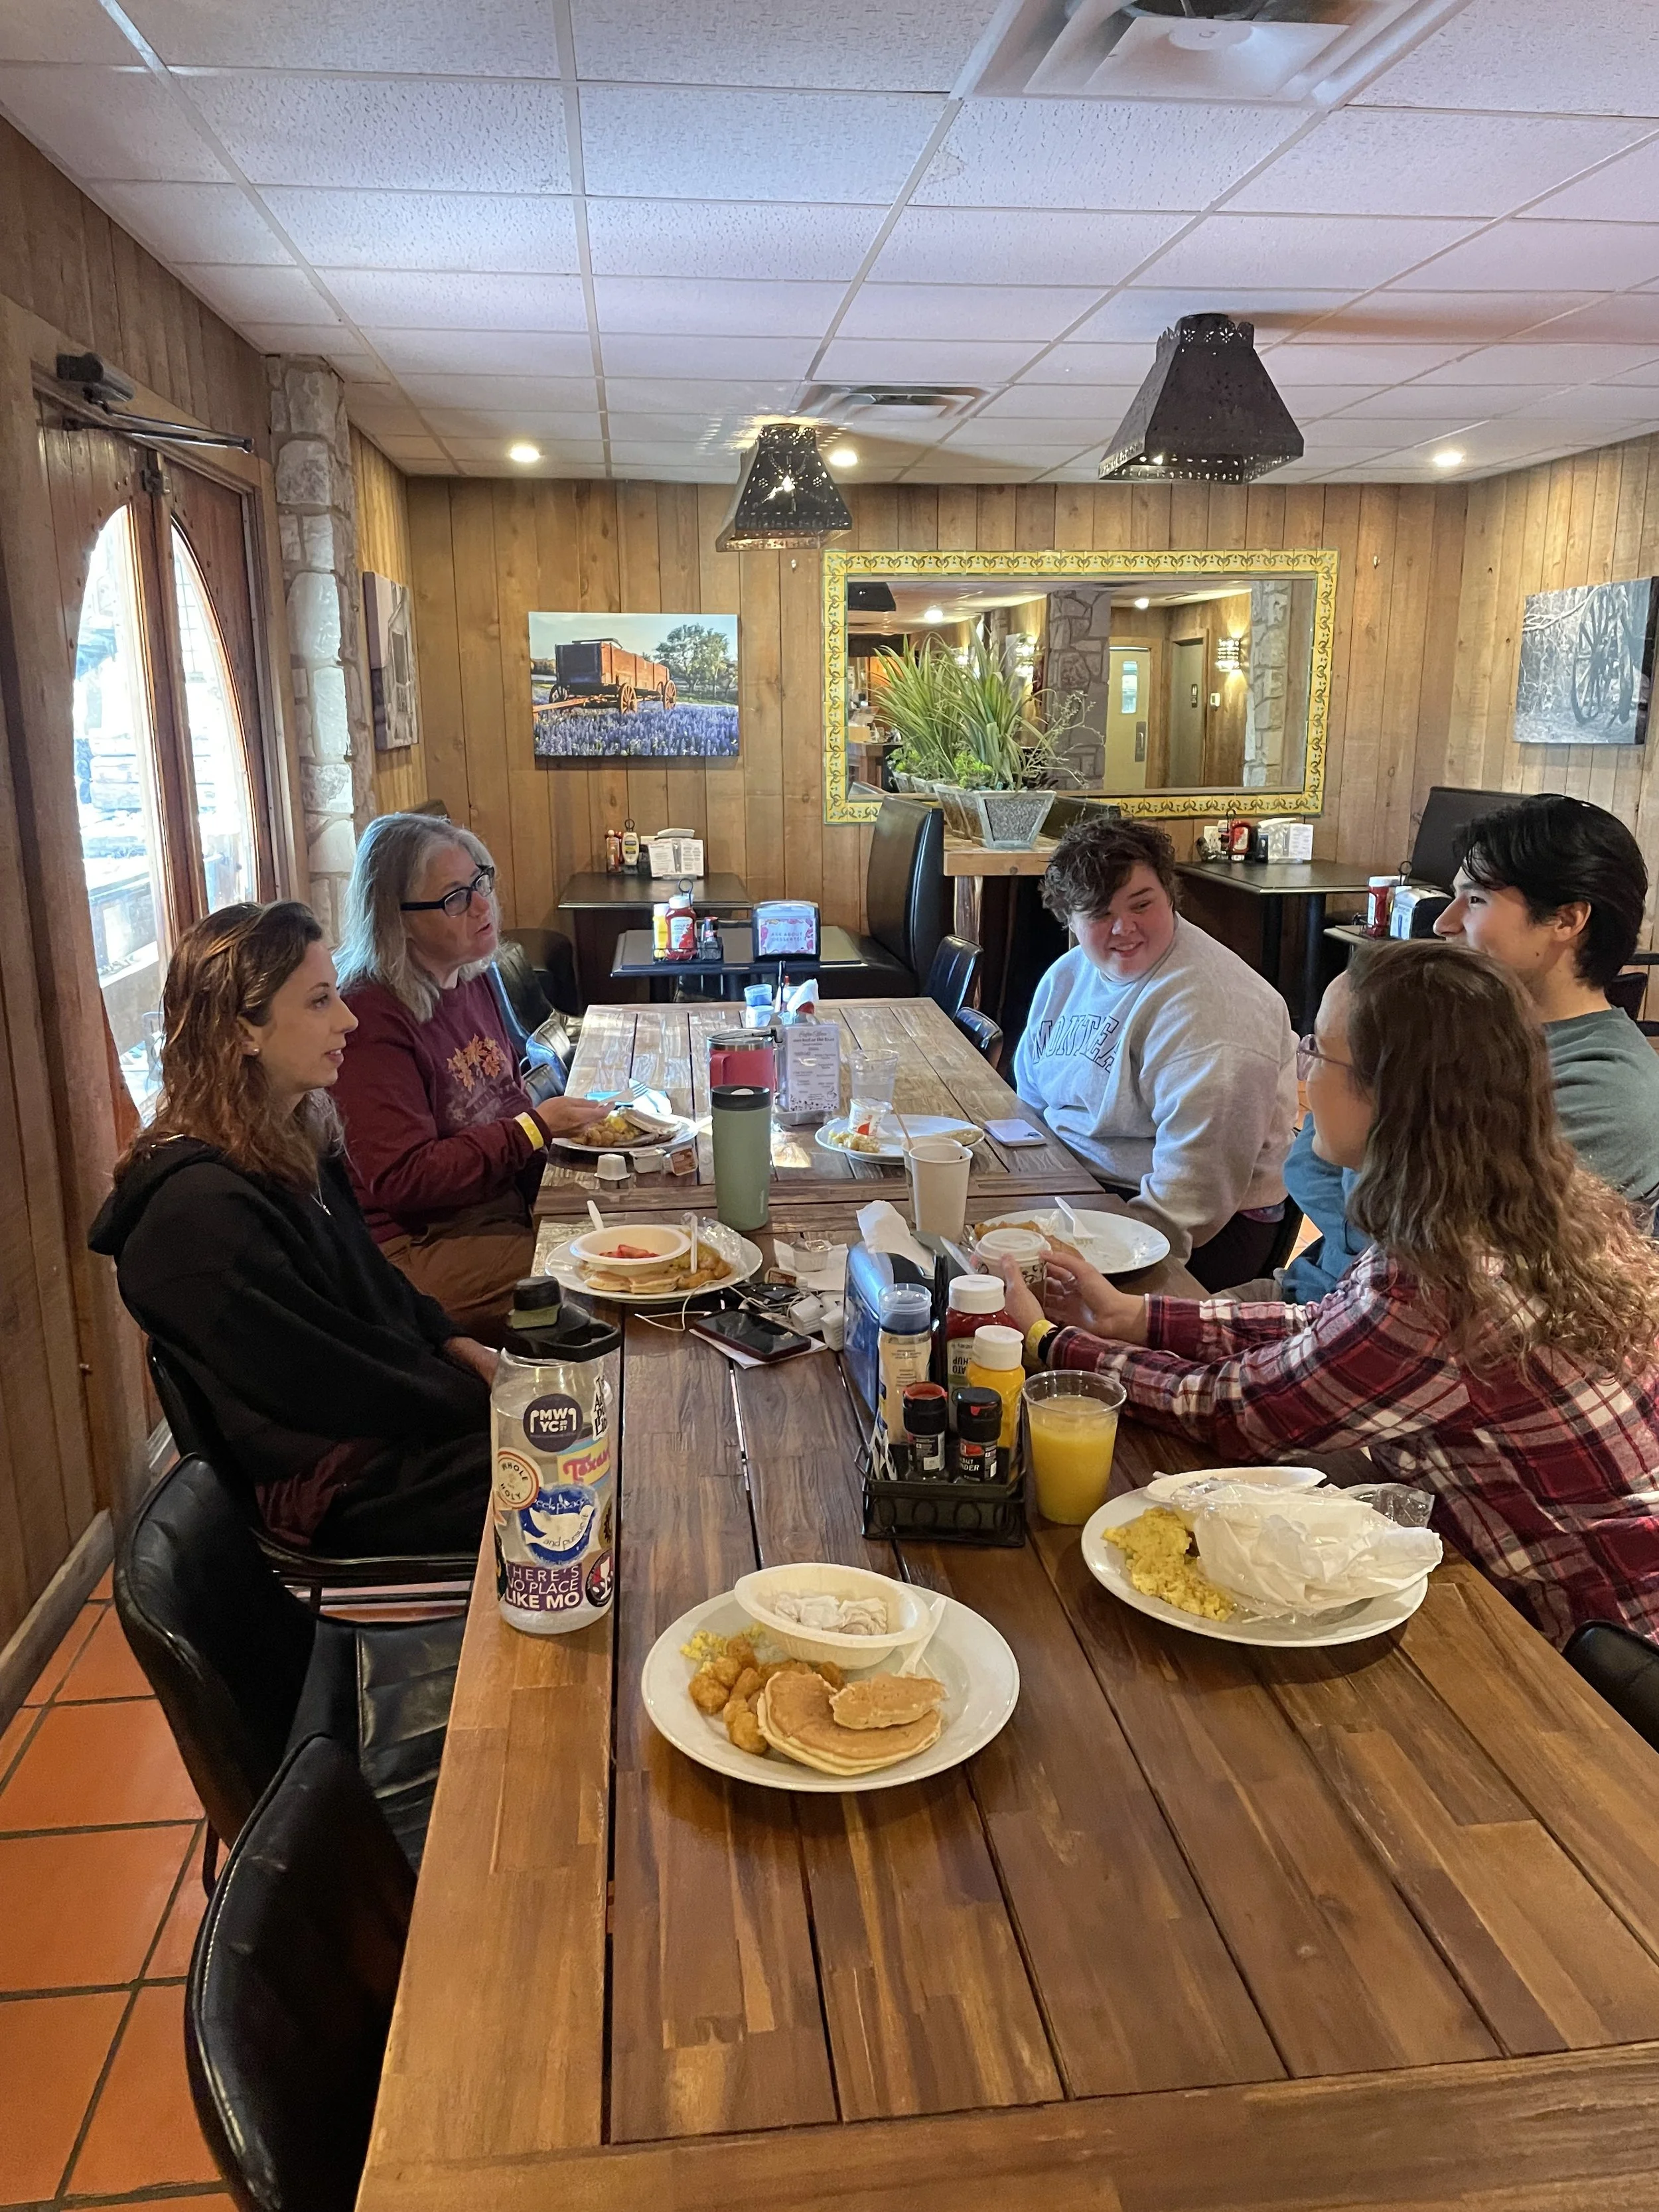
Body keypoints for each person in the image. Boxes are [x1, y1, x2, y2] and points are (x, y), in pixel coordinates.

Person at [995, 940, 1659, 1649]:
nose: (1304, 1075)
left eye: (1319, 1053)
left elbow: (1243, 1411)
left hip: (1593, 1643)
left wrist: (1051, 1346)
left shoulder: (1440, 1278)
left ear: (1394, 1094)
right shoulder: (1528, 1201)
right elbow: (1328, 1329)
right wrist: (1135, 1315)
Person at [89, 903, 496, 1554]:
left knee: (592, 1426)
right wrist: (490, 1412)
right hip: (339, 1486)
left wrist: (458, 1346)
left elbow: (374, 1286)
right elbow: (334, 1385)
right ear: (242, 1029)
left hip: (393, 1429)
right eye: (318, 1002)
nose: (349, 1019)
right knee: (590, 1476)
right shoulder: (196, 1218)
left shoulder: (293, 1131)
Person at [1286, 793, 1659, 1300]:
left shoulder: (1605, 1091)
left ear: (1566, 920)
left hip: (1400, 1334)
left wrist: (1361, 1214)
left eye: (1477, 900)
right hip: (1323, 1293)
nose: (1444, 922)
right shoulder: (1452, 1033)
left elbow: (1446, 1251)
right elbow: (1308, 1163)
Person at [332, 814, 601, 1337]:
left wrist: (566, 1163)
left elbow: (507, 1107)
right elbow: (405, 1180)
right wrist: (536, 1129)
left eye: (480, 882)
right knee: (599, 1277)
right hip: (419, 1246)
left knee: (635, 1226)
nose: (483, 906)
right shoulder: (370, 1015)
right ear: (397, 918)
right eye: (456, 897)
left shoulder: (472, 975)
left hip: (495, 1209)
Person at [1013, 816, 1297, 1290]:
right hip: (1078, 1188)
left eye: (1142, 904)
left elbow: (1196, 1189)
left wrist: (1113, 1264)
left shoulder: (1216, 1009)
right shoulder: (1067, 975)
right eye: (1100, 914)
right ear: (1070, 919)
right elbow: (1031, 1100)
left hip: (1199, 1226)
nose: (1124, 928)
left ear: (1170, 895)